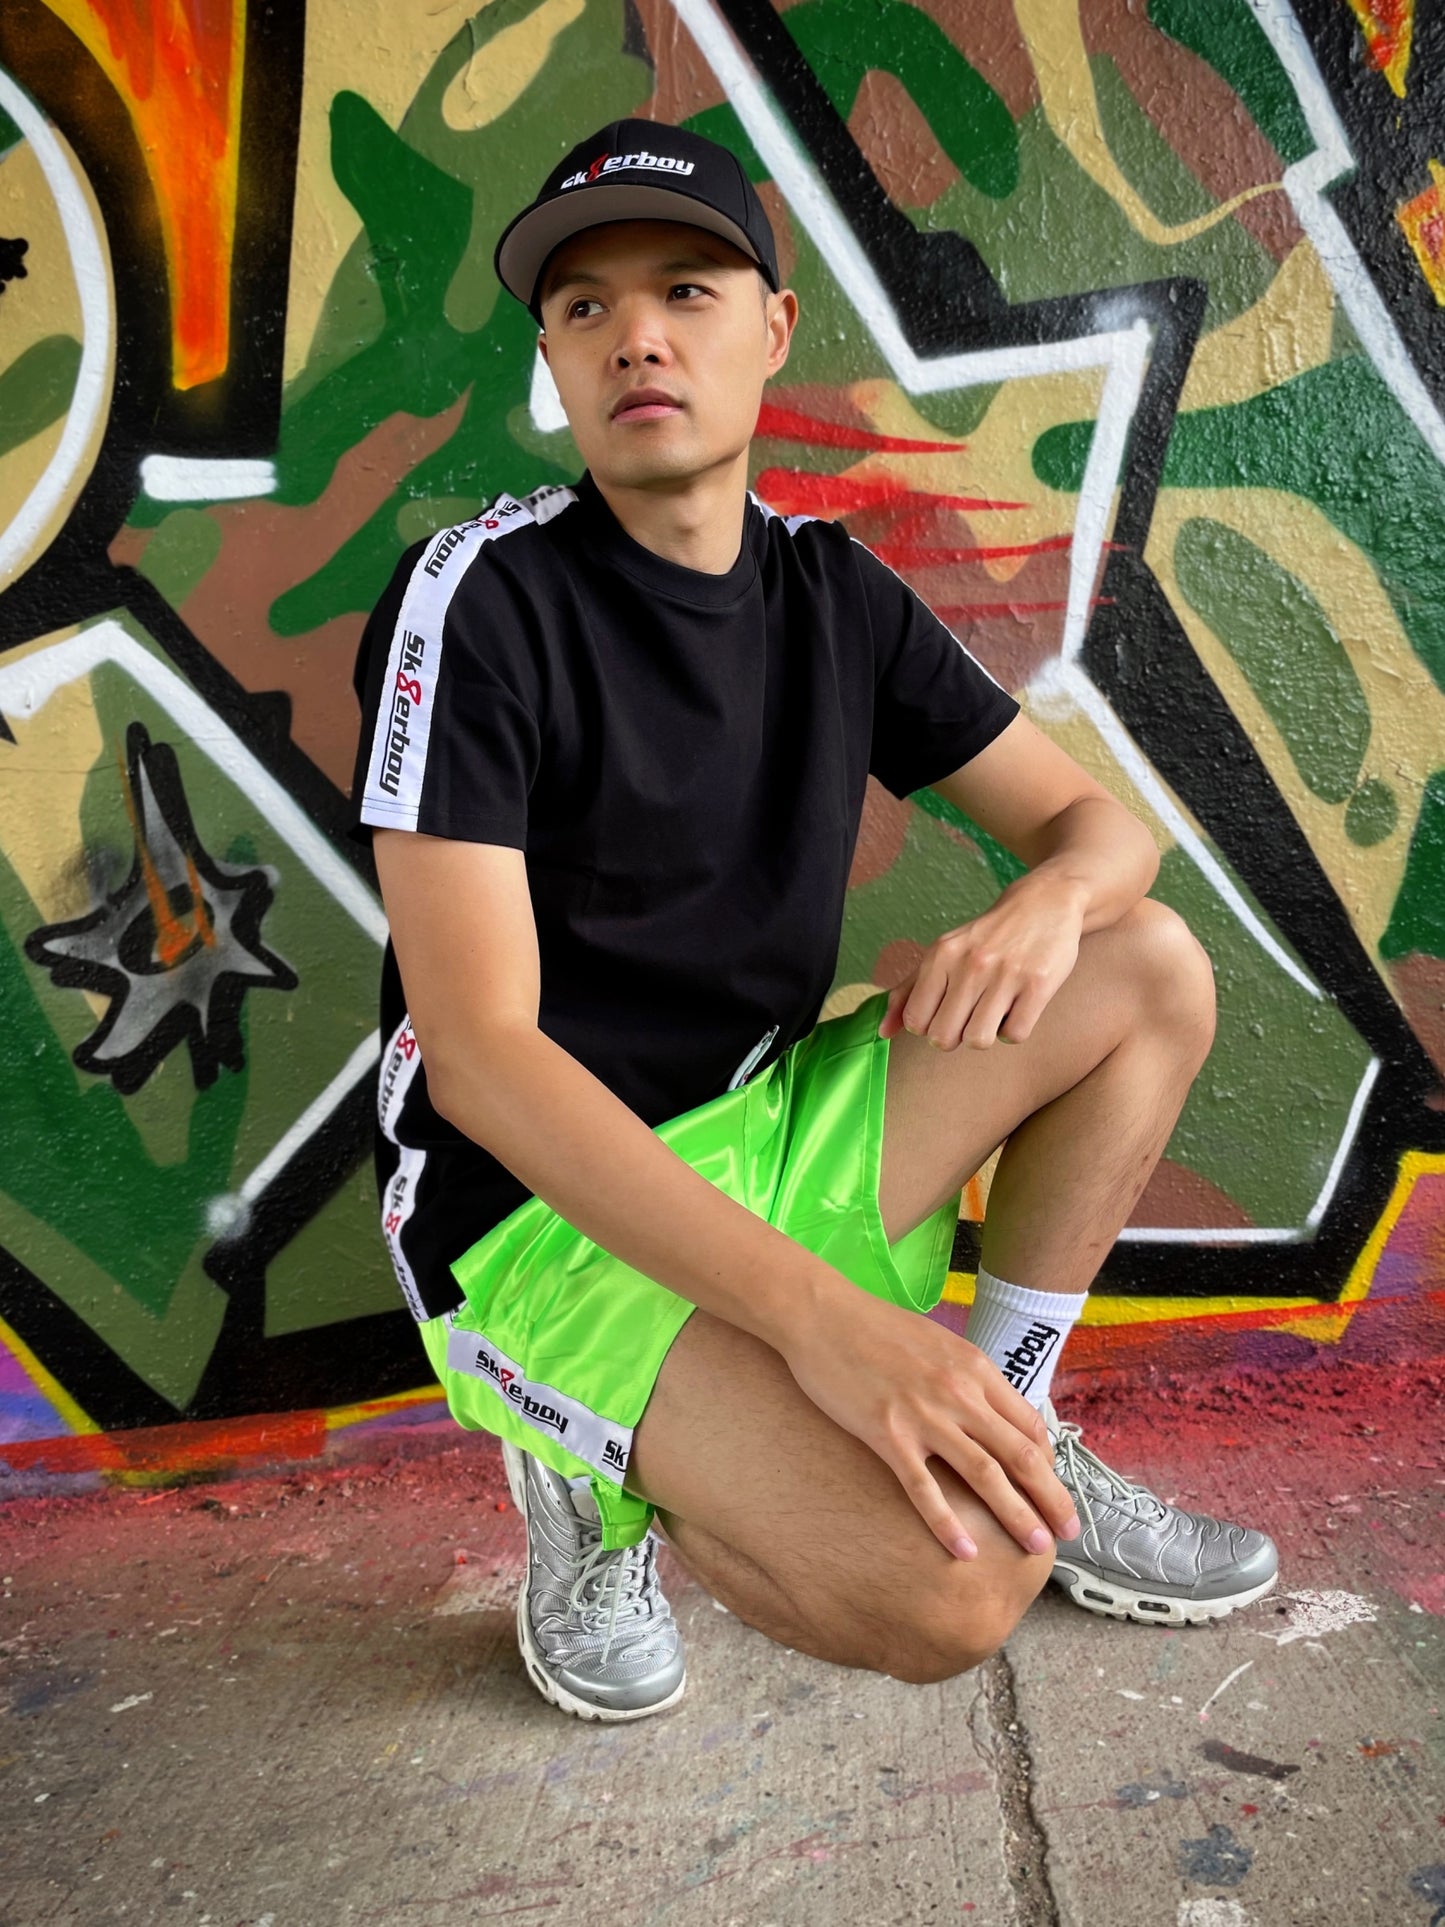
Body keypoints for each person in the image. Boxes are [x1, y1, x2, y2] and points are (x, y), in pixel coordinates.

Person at [350, 119, 1277, 1724]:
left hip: (766, 1125)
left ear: (769, 330)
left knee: (1141, 964)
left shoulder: (831, 594)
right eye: (584, 308)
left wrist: (1045, 906)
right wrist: (829, 1331)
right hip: (541, 1213)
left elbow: (1101, 834)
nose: (636, 332)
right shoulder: (481, 599)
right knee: (953, 1592)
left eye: (687, 289)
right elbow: (483, 1061)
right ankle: (592, 1479)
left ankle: (1012, 1410)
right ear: (554, 364)